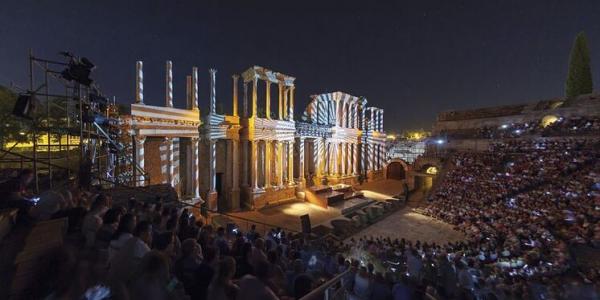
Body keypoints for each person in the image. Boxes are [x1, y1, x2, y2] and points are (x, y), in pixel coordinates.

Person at [108, 221, 152, 287]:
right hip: (125, 284)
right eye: (150, 231)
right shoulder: (141, 245)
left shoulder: (130, 240)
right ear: (142, 232)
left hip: (115, 279)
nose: (151, 234)